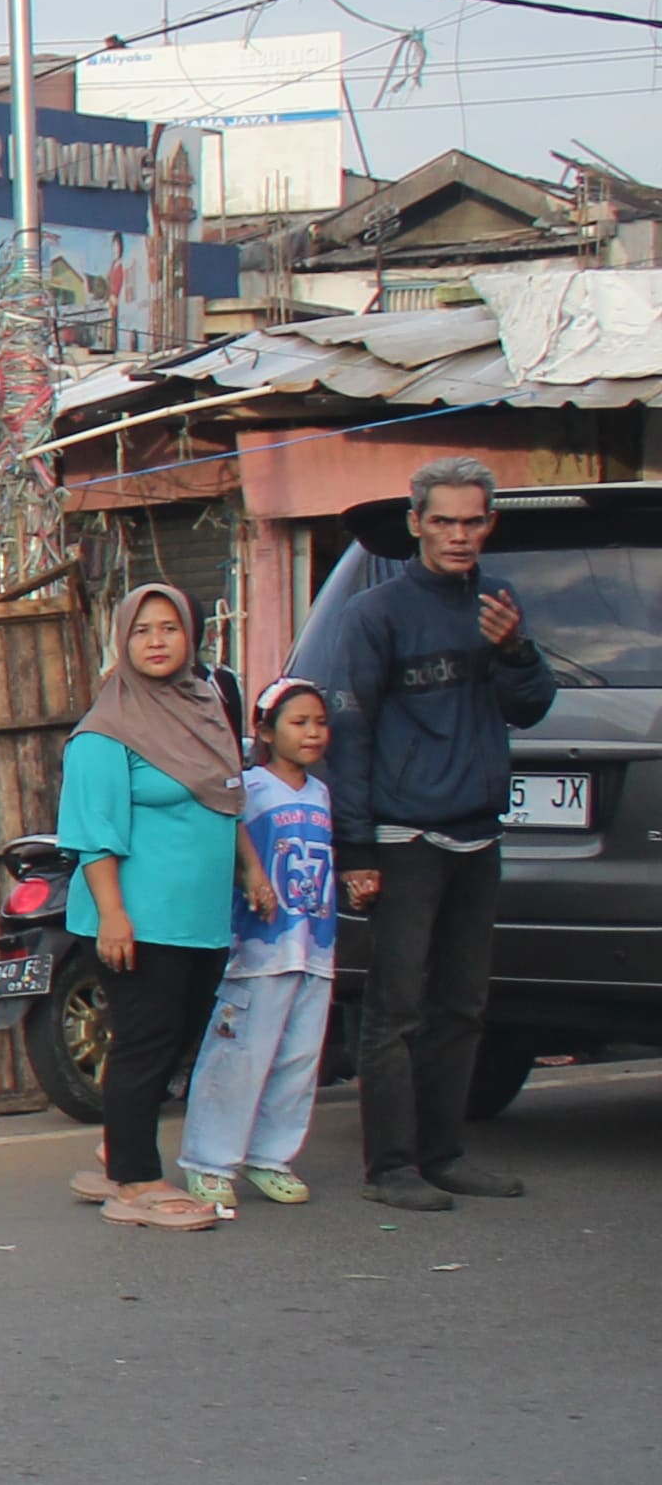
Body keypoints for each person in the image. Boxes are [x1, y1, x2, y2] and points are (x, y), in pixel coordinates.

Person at [296, 456, 558, 1210]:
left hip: (478, 834)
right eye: (443, 521)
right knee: (396, 1010)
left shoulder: (498, 605)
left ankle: (444, 1154)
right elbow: (349, 735)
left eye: (472, 521)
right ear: (416, 524)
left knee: (463, 1007)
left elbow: (530, 707)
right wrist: (356, 849)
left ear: (489, 525)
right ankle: (391, 1168)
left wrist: (515, 650)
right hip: (404, 837)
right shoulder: (374, 614)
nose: (458, 535)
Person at [60, 581, 242, 1233]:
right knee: (145, 1042)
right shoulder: (107, 729)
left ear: (192, 636)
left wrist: (252, 871)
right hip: (140, 918)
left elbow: (229, 798)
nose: (157, 641)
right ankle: (136, 1181)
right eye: (142, 630)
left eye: (170, 628)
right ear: (124, 641)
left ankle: (121, 1144)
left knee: (181, 1038)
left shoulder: (206, 708)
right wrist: (113, 914)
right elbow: (93, 832)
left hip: (200, 918)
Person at [179, 678, 341, 1214]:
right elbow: (221, 847)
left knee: (298, 1057)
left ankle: (272, 1155)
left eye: (320, 722)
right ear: (266, 732)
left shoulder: (322, 794)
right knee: (239, 1056)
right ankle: (209, 1160)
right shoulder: (247, 790)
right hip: (257, 953)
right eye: (299, 722)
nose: (312, 733)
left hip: (313, 948)